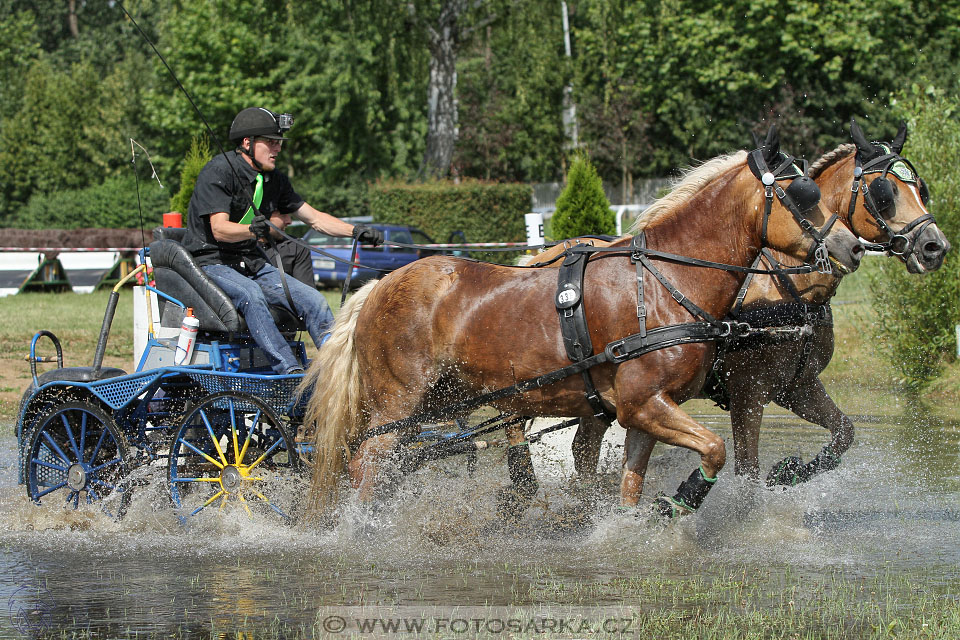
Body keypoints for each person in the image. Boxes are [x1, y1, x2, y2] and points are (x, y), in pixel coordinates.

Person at [183, 107, 383, 374]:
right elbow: (220, 230)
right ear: (247, 143)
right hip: (212, 263)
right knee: (251, 296)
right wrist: (254, 231)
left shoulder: (274, 179)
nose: (277, 148)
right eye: (271, 142)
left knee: (314, 301)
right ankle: (288, 370)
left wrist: (355, 230)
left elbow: (315, 218)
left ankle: (339, 372)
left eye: (279, 142)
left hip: (251, 263)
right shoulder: (218, 171)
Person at [260, 209, 315, 287]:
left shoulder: (297, 247)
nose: (289, 221)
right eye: (283, 215)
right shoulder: (240, 245)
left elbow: (307, 294)